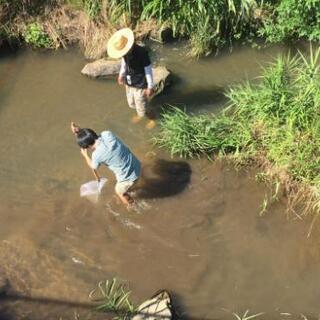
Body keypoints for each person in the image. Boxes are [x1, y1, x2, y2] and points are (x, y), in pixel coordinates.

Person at [71, 122, 140, 208]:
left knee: (119, 192)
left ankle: (131, 206)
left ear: (87, 146)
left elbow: (93, 166)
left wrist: (85, 155)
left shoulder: (96, 155)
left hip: (127, 177)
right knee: (130, 184)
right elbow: (93, 138)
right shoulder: (107, 134)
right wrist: (80, 132)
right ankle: (132, 187)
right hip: (136, 164)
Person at [107, 28, 156, 129]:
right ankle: (140, 114)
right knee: (131, 103)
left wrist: (150, 86)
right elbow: (124, 63)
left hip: (141, 84)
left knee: (142, 104)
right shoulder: (125, 54)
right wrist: (121, 75)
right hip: (129, 82)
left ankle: (153, 118)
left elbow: (148, 70)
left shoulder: (142, 53)